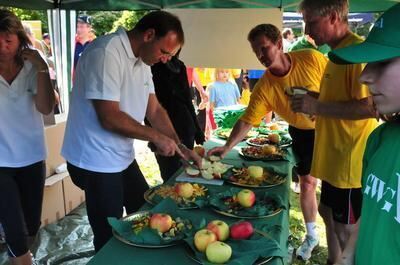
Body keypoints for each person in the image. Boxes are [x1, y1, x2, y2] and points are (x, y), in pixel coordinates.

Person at [61, 10, 201, 252]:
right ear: (148, 35)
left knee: (143, 210)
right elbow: (109, 117)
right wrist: (156, 137)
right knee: (107, 234)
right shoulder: (105, 53)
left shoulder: (143, 60)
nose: (167, 59)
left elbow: (155, 109)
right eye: (165, 52)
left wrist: (180, 147)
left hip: (120, 156)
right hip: (95, 160)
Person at [208, 23, 327, 261]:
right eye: (256, 52)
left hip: (332, 127)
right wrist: (228, 146)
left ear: (280, 44)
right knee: (307, 184)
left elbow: (336, 85)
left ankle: (343, 241)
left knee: (335, 191)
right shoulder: (264, 86)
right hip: (303, 133)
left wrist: (320, 104)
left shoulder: (311, 58)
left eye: (264, 48)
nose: (261, 57)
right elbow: (247, 120)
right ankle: (312, 235)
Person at [291, 0, 379, 263]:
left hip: (348, 164)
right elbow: (342, 100)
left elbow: (369, 107)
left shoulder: (356, 53)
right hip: (333, 160)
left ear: (332, 17)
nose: (307, 30)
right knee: (328, 215)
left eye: (311, 22)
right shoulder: (337, 54)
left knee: (347, 231)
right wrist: (314, 98)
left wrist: (316, 104)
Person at [327, 4, 400, 265]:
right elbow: (369, 212)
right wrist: (346, 257)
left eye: (382, 63)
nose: (364, 76)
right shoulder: (379, 139)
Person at [0, 9, 56, 265]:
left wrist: (42, 67)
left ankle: (17, 256)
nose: (2, 47)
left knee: (30, 227)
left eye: (8, 40)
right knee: (16, 233)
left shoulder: (34, 64)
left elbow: (46, 108)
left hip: (32, 157)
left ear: (19, 37)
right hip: (1, 163)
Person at [149, 51, 205, 181]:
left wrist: (197, 130)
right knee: (169, 174)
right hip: (160, 126)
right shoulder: (150, 66)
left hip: (184, 124)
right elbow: (152, 108)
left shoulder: (179, 65)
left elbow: (187, 98)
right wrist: (153, 137)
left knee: (187, 171)